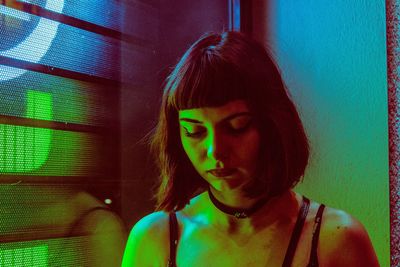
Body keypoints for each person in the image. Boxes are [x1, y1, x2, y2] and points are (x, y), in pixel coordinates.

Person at [122, 31, 379, 267]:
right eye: (195, 132)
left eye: (237, 127)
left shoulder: (336, 240)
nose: (215, 150)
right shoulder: (154, 239)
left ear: (273, 125)